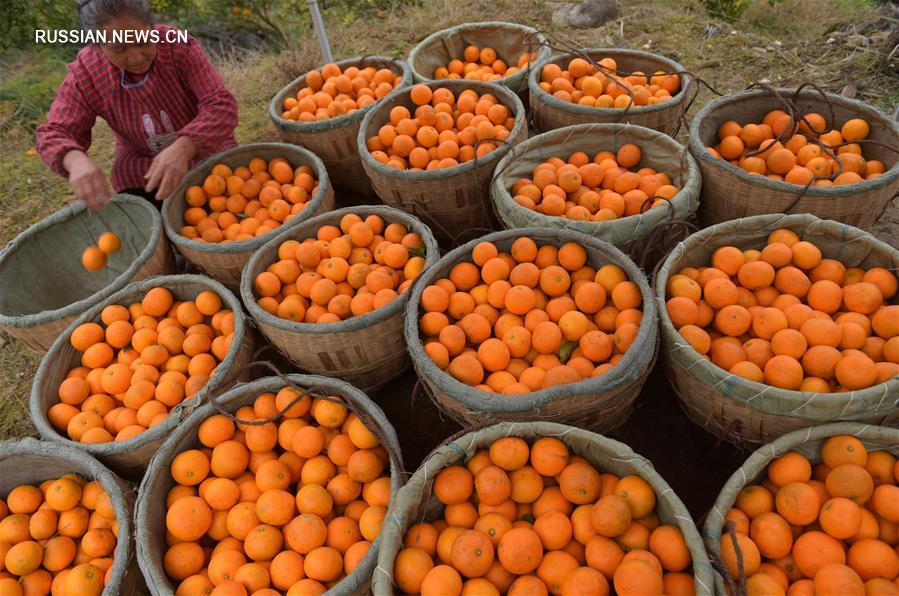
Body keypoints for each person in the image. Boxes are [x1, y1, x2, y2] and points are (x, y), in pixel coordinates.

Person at [36, 0, 239, 209]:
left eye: (143, 41)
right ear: (98, 45)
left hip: (202, 145)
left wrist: (185, 146)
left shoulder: (177, 45)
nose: (136, 57)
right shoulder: (87, 73)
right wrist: (74, 159)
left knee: (227, 187)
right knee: (131, 182)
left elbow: (220, 105)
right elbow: (54, 132)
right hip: (143, 159)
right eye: (119, 48)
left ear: (151, 26)